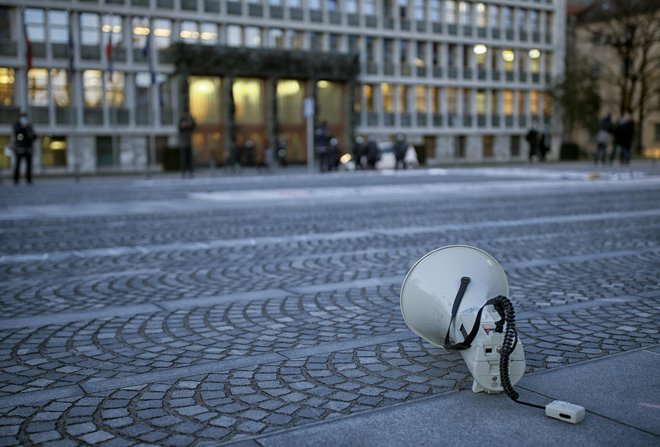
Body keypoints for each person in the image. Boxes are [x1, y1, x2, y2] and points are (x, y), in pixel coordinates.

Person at [12, 111, 37, 185]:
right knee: (18, 164)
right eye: (22, 117)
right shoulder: (17, 124)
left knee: (29, 165)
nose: (24, 118)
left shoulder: (29, 125)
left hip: (28, 148)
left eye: (25, 117)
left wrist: (32, 136)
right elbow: (17, 133)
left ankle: (29, 179)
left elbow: (34, 135)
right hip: (19, 148)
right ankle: (16, 180)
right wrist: (23, 127)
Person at [178, 112, 196, 178]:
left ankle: (190, 172)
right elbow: (180, 127)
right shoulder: (181, 126)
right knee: (184, 159)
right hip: (184, 145)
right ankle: (183, 172)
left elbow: (194, 125)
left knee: (190, 159)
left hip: (189, 144)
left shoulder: (189, 125)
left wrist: (191, 118)